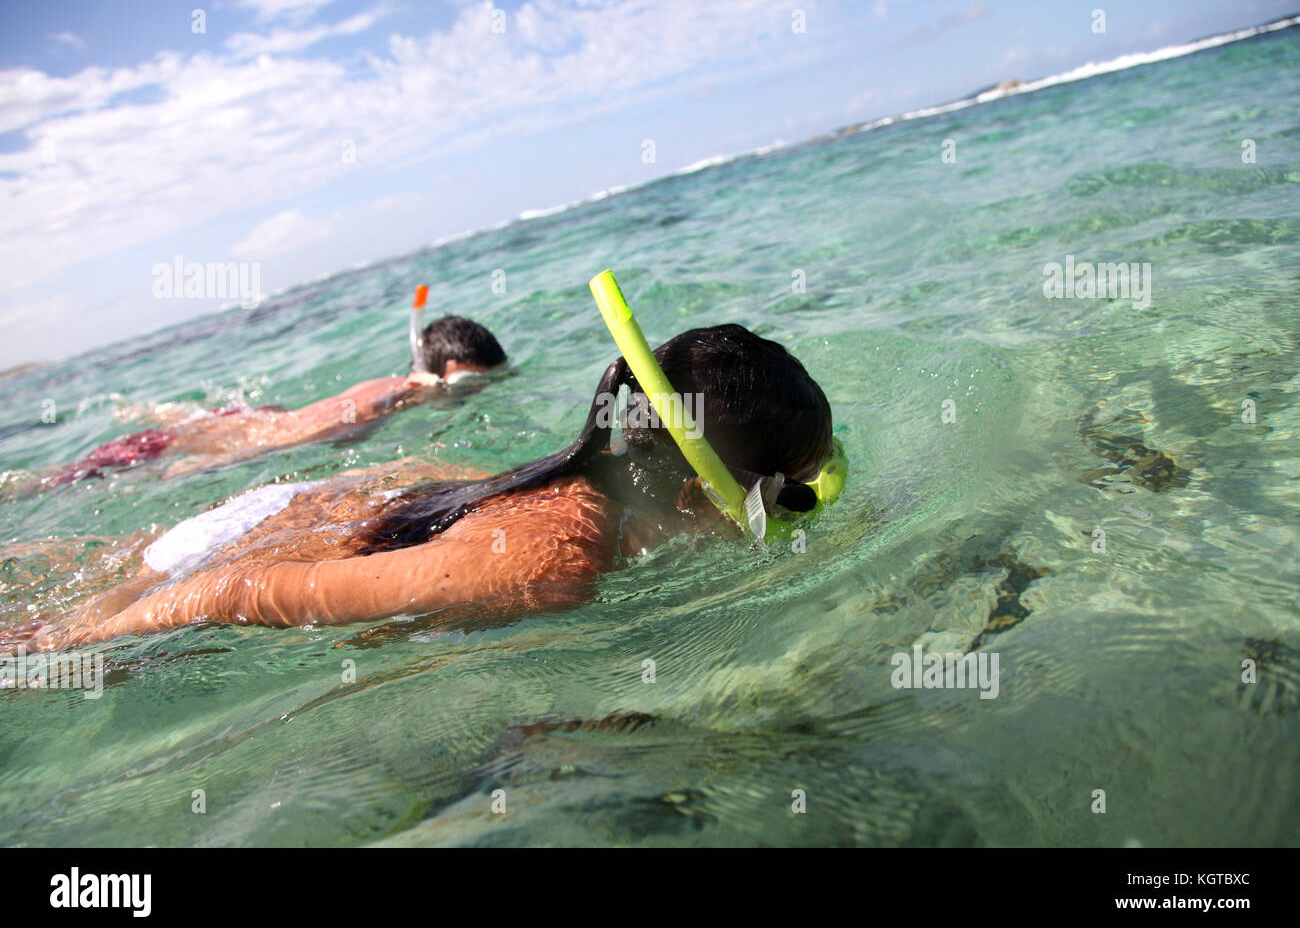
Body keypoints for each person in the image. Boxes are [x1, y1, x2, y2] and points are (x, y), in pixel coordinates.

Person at [14, 321, 840, 652]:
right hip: (225, 565)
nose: (791, 520)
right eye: (789, 500)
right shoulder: (552, 562)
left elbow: (413, 485)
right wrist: (70, 644)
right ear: (708, 491)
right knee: (29, 635)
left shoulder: (577, 477)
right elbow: (237, 587)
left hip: (295, 513)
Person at [24, 295, 506, 488]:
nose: (470, 394)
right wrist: (204, 465)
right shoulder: (384, 396)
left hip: (244, 417)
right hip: (209, 438)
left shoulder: (397, 391)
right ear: (431, 374)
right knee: (59, 480)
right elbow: (286, 442)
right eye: (466, 383)